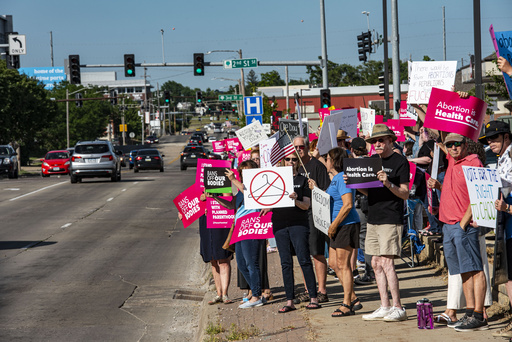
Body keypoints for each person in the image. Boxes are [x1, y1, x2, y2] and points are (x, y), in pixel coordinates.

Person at [346, 124, 410, 322]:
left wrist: (388, 183)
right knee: (375, 262)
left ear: (391, 140)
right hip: (373, 217)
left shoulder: (400, 161)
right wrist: (354, 183)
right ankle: (385, 305)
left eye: (382, 140)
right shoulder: (372, 161)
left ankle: (398, 307)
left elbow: (405, 193)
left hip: (391, 217)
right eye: (375, 141)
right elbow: (369, 191)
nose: (378, 144)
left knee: (387, 262)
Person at [428, 133, 488, 331]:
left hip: (464, 225)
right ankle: (470, 312)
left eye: (457, 144)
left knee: (475, 269)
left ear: (465, 145)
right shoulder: (453, 160)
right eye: (450, 145)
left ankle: (479, 314)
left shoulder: (472, 161)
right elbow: (438, 131)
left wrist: (464, 222)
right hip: (448, 225)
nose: (453, 148)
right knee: (463, 271)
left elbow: (479, 194)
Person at [262, 154, 321, 313]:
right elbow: (271, 201)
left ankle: (313, 298)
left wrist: (295, 200)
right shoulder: (275, 179)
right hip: (280, 225)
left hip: (298, 225)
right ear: (283, 161)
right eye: (287, 159)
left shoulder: (303, 180)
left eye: (294, 159)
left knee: (304, 260)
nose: (291, 162)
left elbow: (306, 206)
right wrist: (266, 207)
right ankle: (290, 301)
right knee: (285, 263)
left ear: (297, 162)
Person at [310, 147, 361, 316]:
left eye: (328, 158)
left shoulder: (342, 178)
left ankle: (347, 304)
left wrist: (333, 225)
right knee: (333, 263)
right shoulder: (336, 178)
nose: (326, 160)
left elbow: (347, 204)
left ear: (333, 161)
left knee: (343, 265)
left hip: (345, 224)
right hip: (337, 226)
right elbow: (329, 199)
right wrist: (316, 189)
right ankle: (352, 297)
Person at [217, 160, 266, 309]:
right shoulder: (240, 190)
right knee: (242, 263)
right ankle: (255, 292)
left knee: (252, 263)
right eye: (242, 171)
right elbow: (232, 205)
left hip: (251, 226)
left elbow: (251, 195)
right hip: (239, 228)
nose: (244, 174)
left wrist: (233, 180)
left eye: (248, 171)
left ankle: (256, 296)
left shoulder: (256, 186)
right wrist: (215, 197)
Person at [479, 121, 512, 337]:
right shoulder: (502, 159)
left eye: (495, 138)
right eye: (488, 139)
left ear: (506, 137)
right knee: (509, 278)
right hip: (507, 228)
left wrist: (508, 207)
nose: (490, 142)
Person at [178, 192, 233, 305]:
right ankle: (218, 293)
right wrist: (184, 212)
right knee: (212, 260)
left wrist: (213, 198)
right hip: (206, 220)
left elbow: (228, 198)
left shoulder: (221, 180)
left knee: (223, 259)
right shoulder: (200, 183)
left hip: (220, 218)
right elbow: (193, 200)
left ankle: (225, 294)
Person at [293, 136, 330, 303]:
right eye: (296, 147)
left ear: (308, 147)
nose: (299, 150)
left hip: (315, 215)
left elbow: (326, 192)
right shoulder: (292, 165)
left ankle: (321, 290)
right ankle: (309, 289)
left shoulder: (317, 167)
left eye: (301, 147)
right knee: (303, 255)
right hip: (297, 217)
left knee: (316, 253)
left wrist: (314, 189)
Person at [350, 137, 374, 286]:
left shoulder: (353, 165)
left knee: (364, 239)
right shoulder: (372, 162)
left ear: (352, 150)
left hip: (362, 204)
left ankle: (370, 272)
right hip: (374, 204)